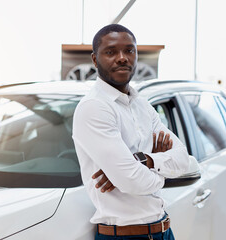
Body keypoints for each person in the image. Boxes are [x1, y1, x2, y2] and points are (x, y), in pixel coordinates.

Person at [72, 24, 189, 240]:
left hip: (163, 230)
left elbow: (185, 160)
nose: (122, 58)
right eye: (110, 52)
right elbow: (133, 181)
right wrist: (164, 173)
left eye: (129, 50)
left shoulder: (142, 105)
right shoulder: (95, 107)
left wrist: (146, 160)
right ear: (95, 60)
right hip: (124, 236)